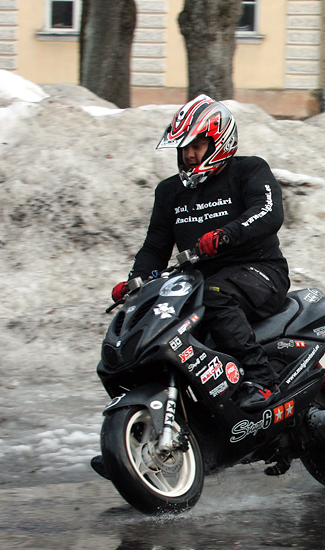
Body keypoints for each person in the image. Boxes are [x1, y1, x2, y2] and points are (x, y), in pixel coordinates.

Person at [111, 94, 290, 411]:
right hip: (199, 282)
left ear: (219, 142)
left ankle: (263, 379)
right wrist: (135, 282)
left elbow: (268, 212)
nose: (190, 155)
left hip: (261, 272)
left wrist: (226, 235)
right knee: (155, 314)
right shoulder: (169, 191)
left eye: (197, 146)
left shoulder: (249, 170)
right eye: (184, 148)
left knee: (212, 295)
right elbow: (155, 246)